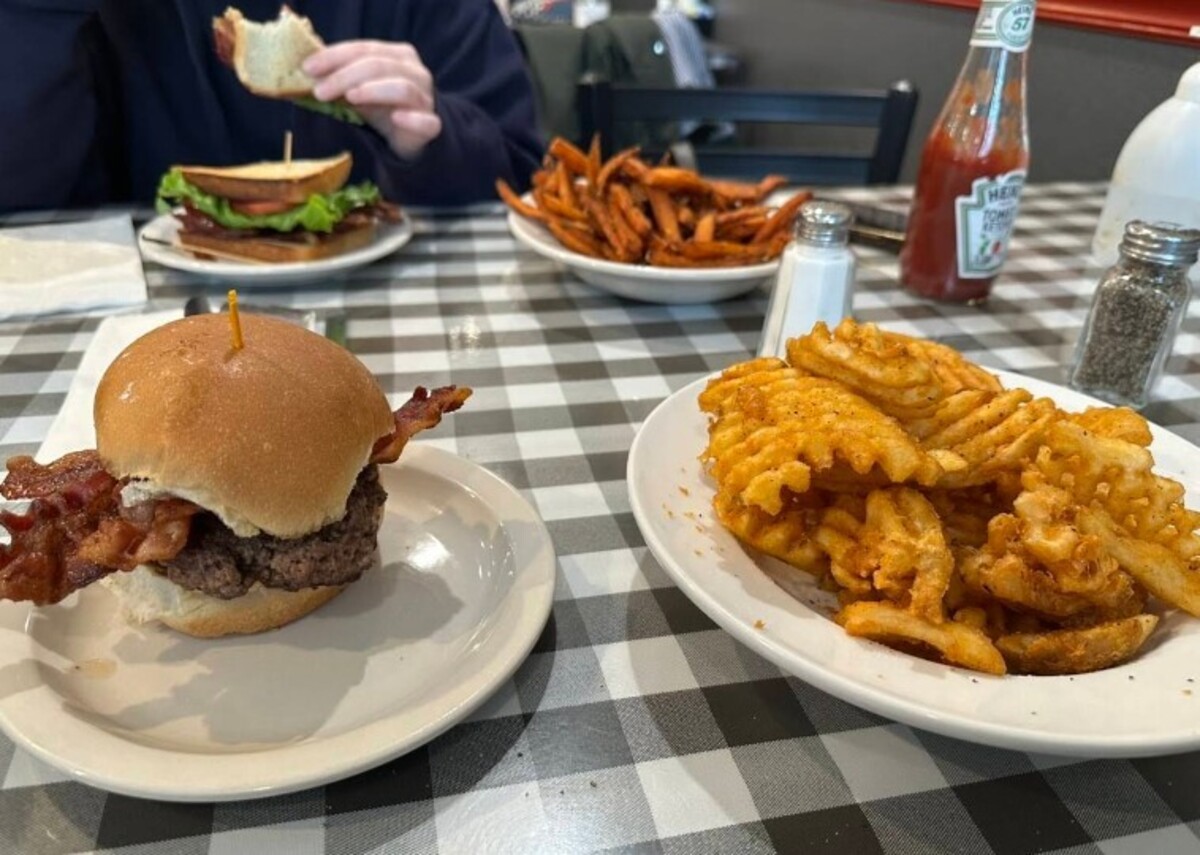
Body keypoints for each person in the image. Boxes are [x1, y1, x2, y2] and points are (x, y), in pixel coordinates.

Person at [0, 0, 543, 212]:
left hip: (405, 313)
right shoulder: (98, 19)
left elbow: (522, 176)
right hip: (148, 328)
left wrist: (432, 137)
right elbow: (25, 212)